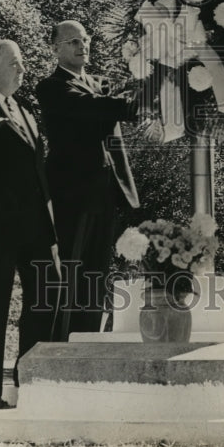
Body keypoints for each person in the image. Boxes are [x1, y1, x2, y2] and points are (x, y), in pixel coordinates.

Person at [0, 39, 60, 410]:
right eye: (15, 63)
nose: (23, 68)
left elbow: (37, 174)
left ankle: (28, 384)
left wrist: (50, 231)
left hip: (35, 229)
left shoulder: (25, 111)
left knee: (45, 301)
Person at [35, 20, 140, 339]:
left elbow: (119, 117)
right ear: (55, 48)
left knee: (96, 275)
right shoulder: (51, 86)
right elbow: (91, 108)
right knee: (71, 273)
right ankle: (58, 347)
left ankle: (86, 341)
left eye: (85, 40)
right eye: (72, 42)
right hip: (71, 195)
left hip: (104, 194)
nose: (82, 46)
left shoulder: (101, 83)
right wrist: (139, 100)